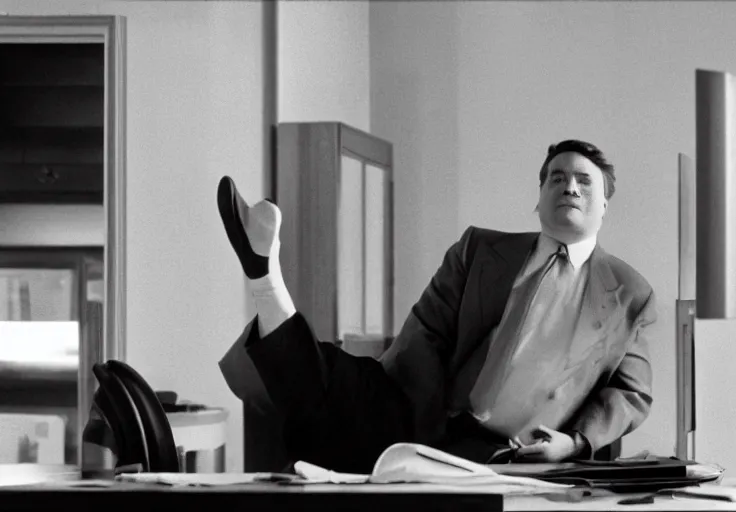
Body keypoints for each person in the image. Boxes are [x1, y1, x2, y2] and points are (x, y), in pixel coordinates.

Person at [217, 139, 656, 473]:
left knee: (314, 415)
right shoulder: (479, 249)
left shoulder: (630, 294)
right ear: (538, 197)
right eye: (556, 178)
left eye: (584, 180)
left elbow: (631, 393)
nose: (569, 187)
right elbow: (426, 331)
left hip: (512, 454)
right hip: (424, 414)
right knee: (330, 376)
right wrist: (424, 429)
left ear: (604, 205)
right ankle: (265, 276)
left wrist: (575, 443)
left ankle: (265, 279)